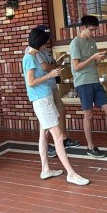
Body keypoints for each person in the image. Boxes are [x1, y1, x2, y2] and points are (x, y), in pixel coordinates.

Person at [23, 27, 89, 185]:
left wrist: (50, 73)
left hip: (42, 99)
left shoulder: (30, 56)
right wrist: (50, 75)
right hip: (42, 100)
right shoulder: (30, 58)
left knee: (43, 135)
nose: (45, 45)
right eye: (44, 43)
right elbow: (31, 83)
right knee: (58, 137)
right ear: (39, 43)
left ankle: (45, 169)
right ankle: (71, 173)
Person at [70, 15, 107, 157]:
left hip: (95, 80)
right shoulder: (75, 43)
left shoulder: (92, 42)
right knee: (88, 115)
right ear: (83, 28)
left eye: (95, 30)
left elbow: (94, 64)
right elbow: (76, 66)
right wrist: (92, 58)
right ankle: (90, 147)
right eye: (92, 30)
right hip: (82, 82)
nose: (94, 33)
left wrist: (99, 59)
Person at [32, 25, 79, 157]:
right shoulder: (32, 53)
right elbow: (44, 67)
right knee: (47, 120)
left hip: (51, 86)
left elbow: (51, 64)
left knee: (60, 110)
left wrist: (57, 63)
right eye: (46, 38)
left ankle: (63, 139)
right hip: (42, 90)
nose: (46, 41)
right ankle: (51, 145)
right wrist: (52, 69)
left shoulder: (44, 49)